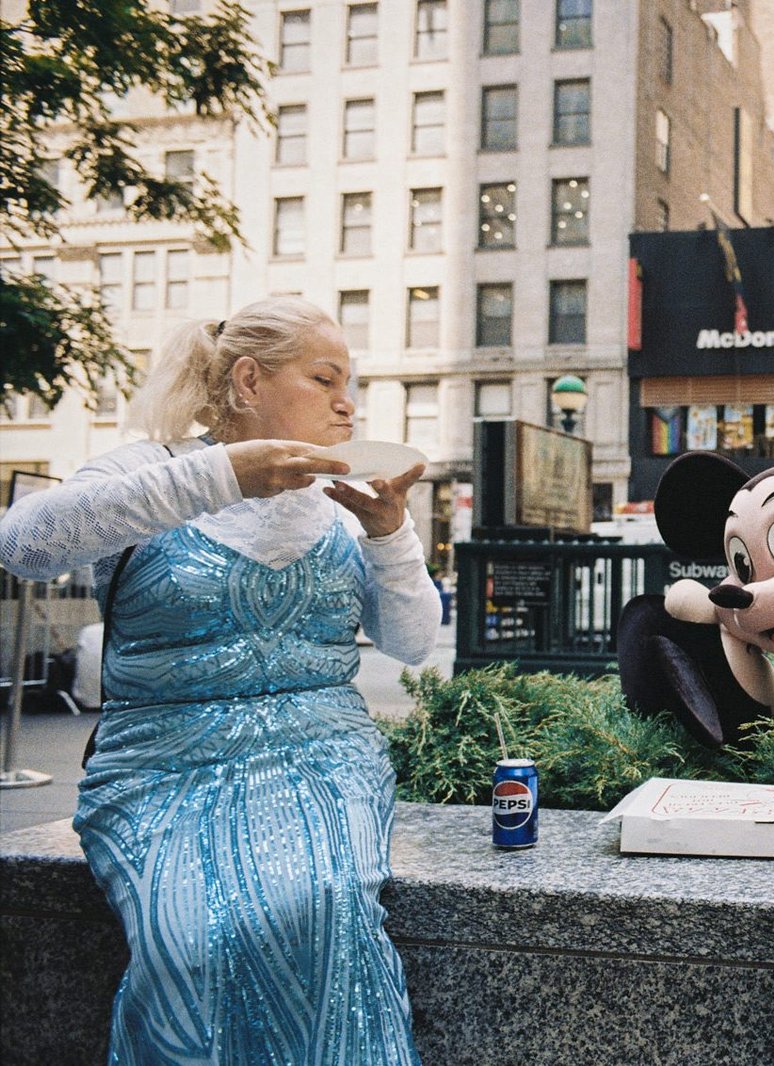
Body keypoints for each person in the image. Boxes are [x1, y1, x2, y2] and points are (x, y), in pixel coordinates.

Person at [0, 297, 439, 1064]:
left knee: (325, 905)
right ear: (248, 380)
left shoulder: (343, 504)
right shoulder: (150, 469)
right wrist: (221, 476)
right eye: (325, 379)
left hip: (324, 759)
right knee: (190, 937)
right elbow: (23, 546)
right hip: (160, 763)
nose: (347, 403)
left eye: (350, 384)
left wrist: (389, 532)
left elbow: (411, 642)